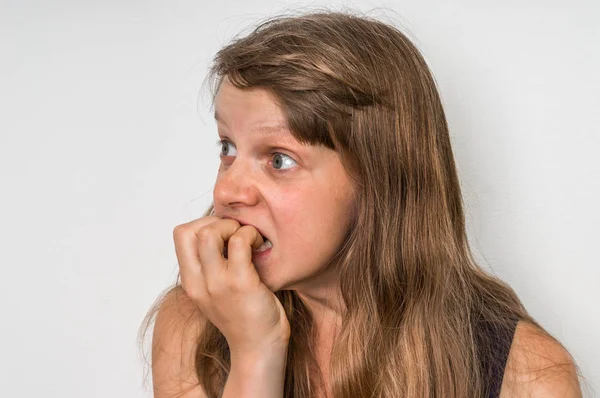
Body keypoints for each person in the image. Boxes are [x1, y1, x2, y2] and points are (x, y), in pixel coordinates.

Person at [139, 10, 583, 398]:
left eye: (279, 159)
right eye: (227, 148)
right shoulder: (196, 324)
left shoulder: (525, 374)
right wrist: (255, 353)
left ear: (378, 177)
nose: (226, 191)